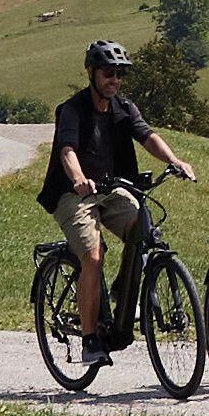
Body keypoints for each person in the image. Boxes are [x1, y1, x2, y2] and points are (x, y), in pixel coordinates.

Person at [38, 33, 172, 348]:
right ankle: (89, 339)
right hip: (73, 195)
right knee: (94, 257)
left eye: (120, 74)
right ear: (92, 74)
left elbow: (146, 135)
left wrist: (174, 160)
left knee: (144, 231)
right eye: (108, 73)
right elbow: (66, 150)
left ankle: (120, 294)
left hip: (113, 189)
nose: (115, 80)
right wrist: (79, 178)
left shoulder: (124, 108)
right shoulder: (72, 109)